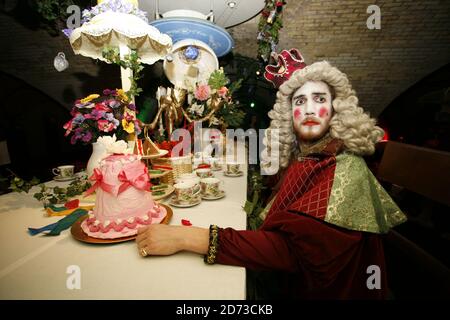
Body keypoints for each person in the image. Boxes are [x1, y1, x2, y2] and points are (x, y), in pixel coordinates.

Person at [136, 49, 407, 299]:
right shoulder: (308, 156)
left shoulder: (347, 167)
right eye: (300, 101)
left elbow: (290, 251)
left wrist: (186, 237)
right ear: (289, 115)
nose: (310, 109)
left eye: (320, 99)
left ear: (337, 110)